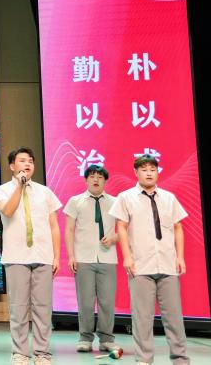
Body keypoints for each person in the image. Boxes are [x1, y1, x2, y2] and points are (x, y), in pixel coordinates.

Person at [110, 156, 189, 365]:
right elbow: (121, 228)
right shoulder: (126, 197)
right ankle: (144, 359)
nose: (149, 173)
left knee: (174, 317)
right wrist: (127, 256)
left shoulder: (169, 198)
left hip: (168, 264)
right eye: (144, 169)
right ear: (136, 172)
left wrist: (180, 256)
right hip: (140, 265)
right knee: (142, 317)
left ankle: (180, 359)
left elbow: (178, 227)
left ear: (157, 172)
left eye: (152, 169)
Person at [0, 147, 62, 365]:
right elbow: (8, 211)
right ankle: (20, 353)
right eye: (22, 160)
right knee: (19, 308)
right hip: (16, 257)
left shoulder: (45, 192)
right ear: (12, 166)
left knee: (43, 308)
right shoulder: (2, 190)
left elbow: (54, 226)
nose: (27, 164)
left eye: (30, 161)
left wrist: (56, 256)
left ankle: (42, 353)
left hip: (43, 255)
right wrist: (20, 187)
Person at [64, 164, 119, 354]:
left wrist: (114, 237)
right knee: (85, 302)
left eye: (100, 177)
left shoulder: (115, 202)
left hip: (108, 257)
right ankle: (85, 338)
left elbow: (126, 229)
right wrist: (71, 255)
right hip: (83, 258)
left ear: (105, 181)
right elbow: (69, 229)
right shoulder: (75, 201)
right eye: (92, 176)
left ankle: (106, 339)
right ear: (86, 179)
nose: (96, 179)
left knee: (107, 302)